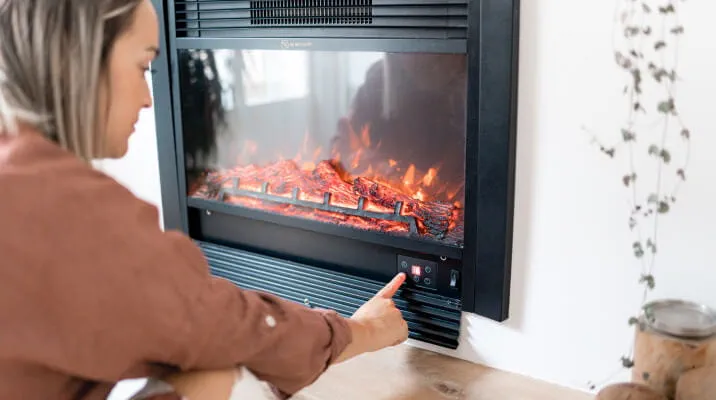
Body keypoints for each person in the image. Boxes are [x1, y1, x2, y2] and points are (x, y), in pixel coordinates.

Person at [0, 1, 409, 399]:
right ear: (79, 60)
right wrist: (363, 331)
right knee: (218, 375)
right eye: (143, 67)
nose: (148, 97)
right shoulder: (67, 210)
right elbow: (231, 325)